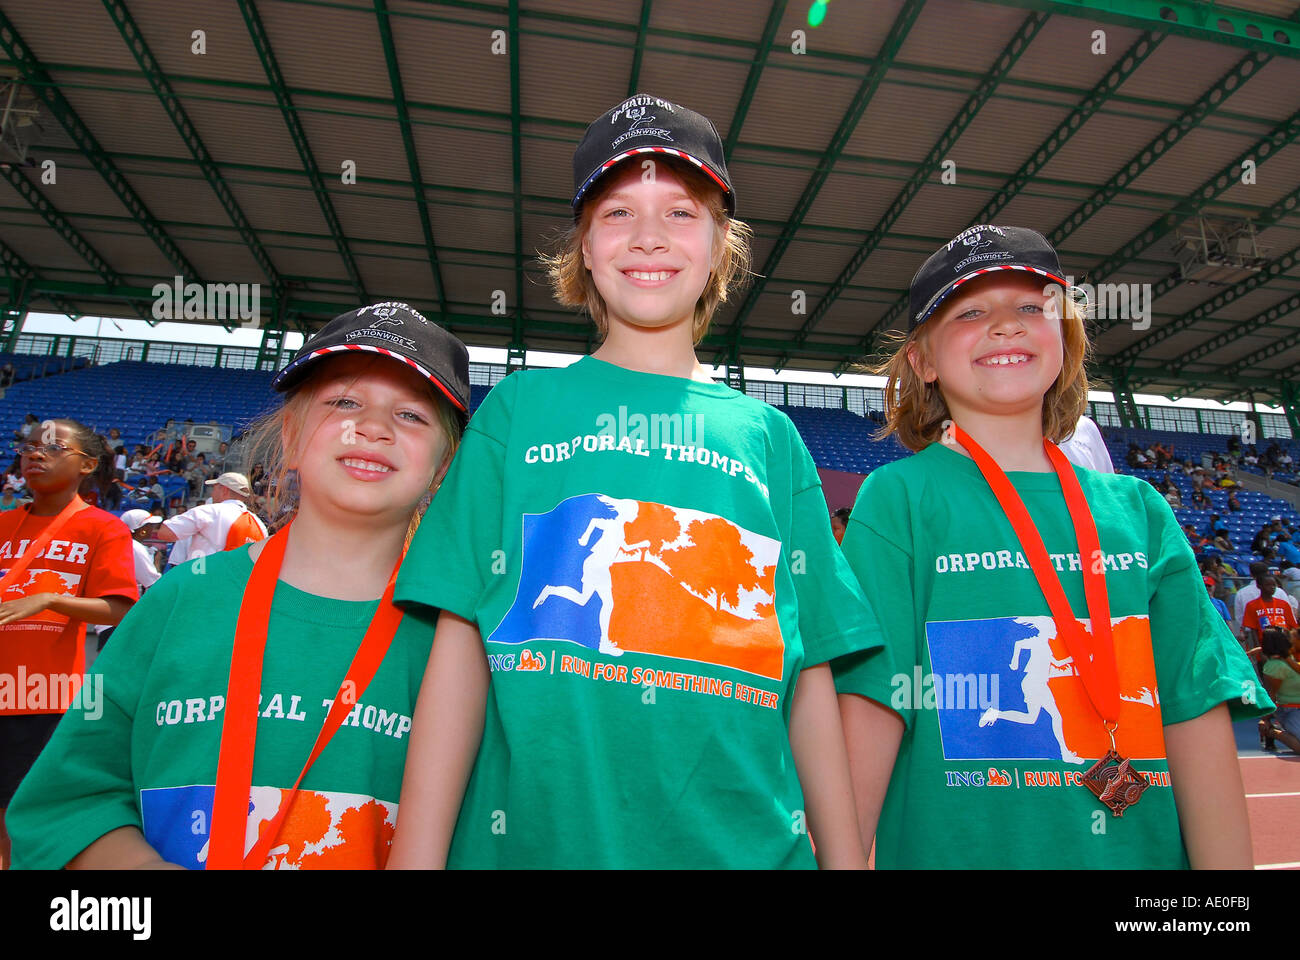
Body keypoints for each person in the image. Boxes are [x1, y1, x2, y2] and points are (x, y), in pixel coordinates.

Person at [388, 95, 880, 871]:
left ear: (722, 245)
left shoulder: (770, 438)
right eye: (617, 213)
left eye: (681, 213)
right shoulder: (518, 411)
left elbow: (809, 667)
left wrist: (847, 862)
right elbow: (459, 643)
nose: (649, 237)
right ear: (583, 248)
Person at [832, 224, 1269, 870]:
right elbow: (873, 704)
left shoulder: (1141, 513)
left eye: (1032, 309)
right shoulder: (898, 502)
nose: (1005, 325)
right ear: (922, 360)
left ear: (1064, 338)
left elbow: (1191, 714)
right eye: (971, 311)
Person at [5, 303, 469, 870]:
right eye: (344, 402)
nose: (371, 427)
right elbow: (67, 801)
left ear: (444, 465)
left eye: (412, 416)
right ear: (292, 438)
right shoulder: (179, 601)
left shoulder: (459, 635)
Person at [0, 419, 139, 869]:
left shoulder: (102, 529)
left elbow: (119, 608)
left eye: (54, 447)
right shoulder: (3, 524)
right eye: (29, 446)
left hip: (38, 698)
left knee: (20, 817)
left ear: (88, 464)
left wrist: (50, 599)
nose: (35, 454)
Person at [152, 472, 267, 558]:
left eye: (214, 488)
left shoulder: (210, 511)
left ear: (224, 490)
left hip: (203, 579)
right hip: (239, 585)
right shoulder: (258, 524)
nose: (212, 493)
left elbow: (166, 533)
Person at [1258, 629, 1300, 753]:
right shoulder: (1275, 667)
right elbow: (1271, 695)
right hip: (1291, 710)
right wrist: (1265, 719)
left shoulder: (1290, 658)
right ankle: (1271, 732)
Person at [1241, 575, 1298, 651]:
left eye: (1274, 585)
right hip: (1265, 645)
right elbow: (1253, 630)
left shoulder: (1284, 604)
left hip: (1284, 644)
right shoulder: (1251, 605)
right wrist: (1259, 650)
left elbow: (1292, 626)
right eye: (1268, 585)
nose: (1272, 587)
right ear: (1259, 586)